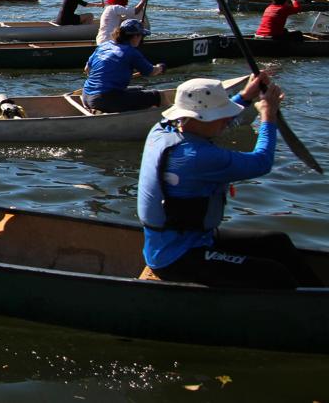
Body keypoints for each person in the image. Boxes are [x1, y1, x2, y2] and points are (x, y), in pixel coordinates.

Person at [137, 74, 322, 288]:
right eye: (221, 116)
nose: (227, 120)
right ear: (199, 119)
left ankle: (319, 294)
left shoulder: (161, 130)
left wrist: (245, 96)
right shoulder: (198, 157)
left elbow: (211, 120)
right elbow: (262, 162)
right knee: (275, 274)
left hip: (192, 237)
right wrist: (268, 117)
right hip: (178, 256)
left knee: (277, 242)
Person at [82, 19, 166, 113]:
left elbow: (87, 69)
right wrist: (160, 67)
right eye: (142, 36)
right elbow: (151, 72)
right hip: (103, 99)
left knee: (140, 89)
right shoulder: (131, 52)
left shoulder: (104, 46)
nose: (142, 39)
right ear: (135, 36)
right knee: (159, 95)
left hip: (86, 96)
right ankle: (170, 119)